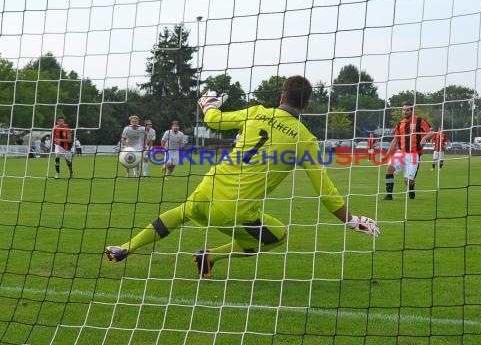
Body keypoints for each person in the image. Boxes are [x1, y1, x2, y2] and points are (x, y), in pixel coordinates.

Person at [105, 75, 379, 278]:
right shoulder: (305, 140)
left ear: (282, 98)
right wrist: (352, 220)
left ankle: (124, 248)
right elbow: (326, 191)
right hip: (235, 210)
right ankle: (211, 255)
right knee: (278, 236)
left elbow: (214, 120)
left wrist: (208, 104)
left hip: (209, 186)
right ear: (306, 105)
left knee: (181, 212)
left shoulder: (256, 112)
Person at [384, 102, 433, 200]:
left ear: (412, 111)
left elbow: (431, 133)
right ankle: (389, 196)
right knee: (389, 168)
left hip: (414, 154)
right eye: (403, 110)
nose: (405, 112)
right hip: (401, 152)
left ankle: (411, 186)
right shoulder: (400, 124)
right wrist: (387, 155)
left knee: (408, 181)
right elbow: (395, 140)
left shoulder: (419, 121)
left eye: (407, 110)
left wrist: (424, 138)